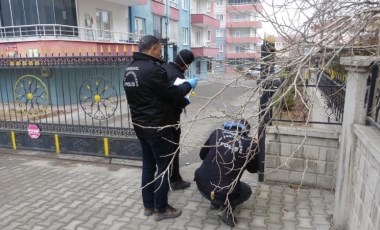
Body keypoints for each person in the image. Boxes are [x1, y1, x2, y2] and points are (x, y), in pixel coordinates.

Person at [123, 35, 197, 221]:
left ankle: (148, 205)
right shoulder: (154, 70)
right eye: (160, 48)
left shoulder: (130, 68)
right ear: (153, 48)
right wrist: (189, 84)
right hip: (158, 128)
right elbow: (173, 94)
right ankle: (161, 209)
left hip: (141, 127)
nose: (161, 52)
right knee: (163, 168)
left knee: (148, 166)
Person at [194, 119, 259, 227]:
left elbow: (202, 156)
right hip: (222, 192)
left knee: (217, 177)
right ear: (246, 131)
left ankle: (215, 202)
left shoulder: (217, 133)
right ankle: (226, 209)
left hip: (201, 184)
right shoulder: (251, 144)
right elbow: (253, 169)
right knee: (246, 191)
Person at [162, 49, 195, 190]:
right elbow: (175, 97)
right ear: (186, 64)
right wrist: (185, 101)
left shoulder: (164, 68)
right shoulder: (177, 75)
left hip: (159, 118)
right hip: (172, 118)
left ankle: (167, 177)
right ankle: (174, 179)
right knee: (174, 149)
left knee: (164, 151)